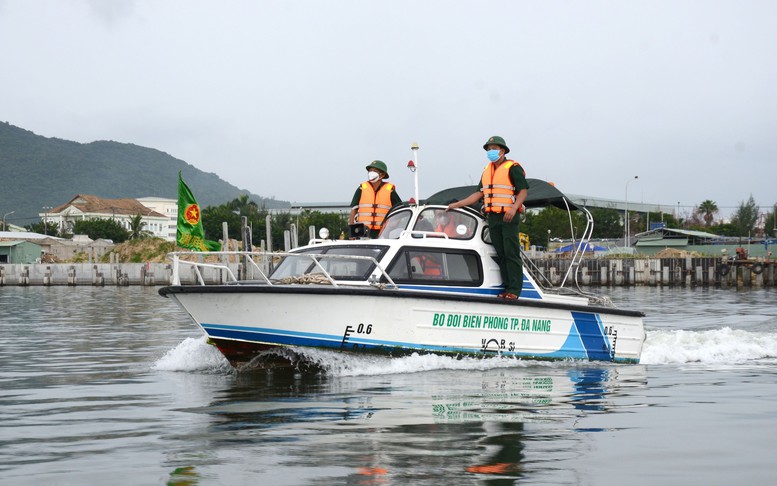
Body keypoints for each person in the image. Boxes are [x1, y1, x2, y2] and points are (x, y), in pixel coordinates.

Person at [447, 135, 529, 300]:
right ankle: (507, 288)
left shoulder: (513, 167)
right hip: (493, 217)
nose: (491, 151)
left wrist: (513, 208)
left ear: (503, 150)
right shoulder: (487, 171)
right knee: (500, 253)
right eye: (489, 149)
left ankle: (515, 290)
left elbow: (523, 191)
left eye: (494, 148)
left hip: (508, 216)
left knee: (511, 253)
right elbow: (478, 194)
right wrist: (456, 205)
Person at [349, 160, 402, 238]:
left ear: (382, 174)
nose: (371, 173)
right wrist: (352, 232)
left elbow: (399, 210)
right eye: (370, 170)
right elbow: (354, 210)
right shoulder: (362, 188)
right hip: (362, 231)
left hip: (382, 232)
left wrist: (391, 227)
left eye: (374, 171)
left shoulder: (390, 190)